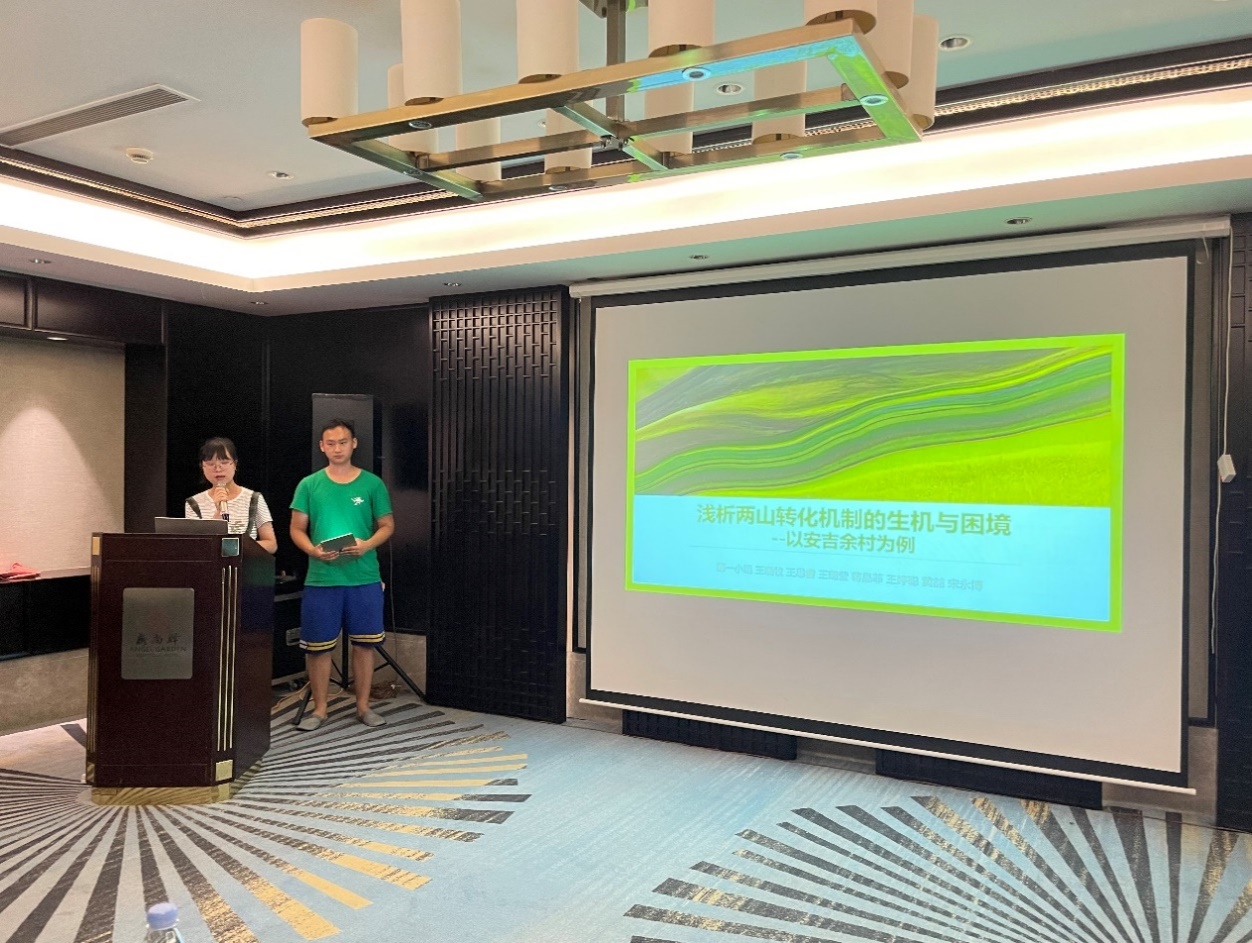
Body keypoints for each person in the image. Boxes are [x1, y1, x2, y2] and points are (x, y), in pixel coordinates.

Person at [289, 417, 395, 730]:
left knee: (365, 645)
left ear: (354, 444)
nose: (337, 448)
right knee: (319, 648)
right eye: (331, 443)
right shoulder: (309, 485)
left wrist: (366, 545)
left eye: (343, 442)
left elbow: (387, 525)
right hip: (322, 579)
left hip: (364, 577)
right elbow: (296, 529)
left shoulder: (372, 484)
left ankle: (363, 707)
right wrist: (312, 550)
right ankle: (320, 710)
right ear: (322, 446)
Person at [185, 437, 278, 554]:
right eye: (210, 464)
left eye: (224, 462)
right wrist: (218, 514)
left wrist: (235, 546)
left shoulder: (253, 498)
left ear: (235, 464)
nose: (218, 468)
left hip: (246, 564)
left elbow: (271, 544)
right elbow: (195, 547)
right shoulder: (194, 503)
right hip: (211, 564)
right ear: (202, 467)